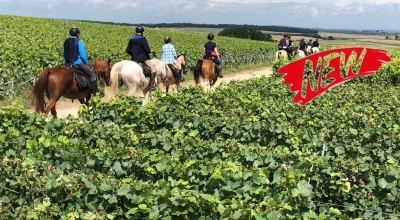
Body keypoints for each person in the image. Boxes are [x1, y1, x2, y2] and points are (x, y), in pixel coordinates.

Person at [62, 27, 101, 97]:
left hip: (68, 64)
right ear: (77, 34)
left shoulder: (66, 41)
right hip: (77, 63)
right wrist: (86, 63)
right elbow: (83, 55)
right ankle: (95, 93)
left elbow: (63, 53)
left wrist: (66, 62)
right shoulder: (79, 41)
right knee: (92, 75)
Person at [126, 26, 157, 91]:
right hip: (143, 58)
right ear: (142, 32)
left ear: (136, 31)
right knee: (153, 69)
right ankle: (151, 86)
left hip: (134, 59)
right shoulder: (143, 40)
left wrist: (133, 54)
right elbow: (148, 51)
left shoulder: (131, 39)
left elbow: (128, 50)